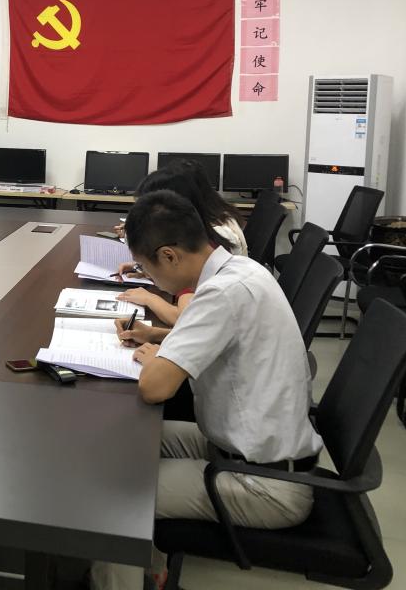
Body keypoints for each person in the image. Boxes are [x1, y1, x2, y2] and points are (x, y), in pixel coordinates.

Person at [94, 190, 321, 590]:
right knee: (122, 441)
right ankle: (152, 570)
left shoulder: (220, 294)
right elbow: (218, 340)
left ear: (169, 256)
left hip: (264, 483)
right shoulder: (240, 271)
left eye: (147, 269)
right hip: (244, 446)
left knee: (118, 497)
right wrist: (158, 338)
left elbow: (154, 388)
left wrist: (159, 361)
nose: (151, 280)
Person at [115, 162, 247, 326]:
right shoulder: (219, 219)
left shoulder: (215, 238)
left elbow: (188, 318)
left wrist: (149, 298)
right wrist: (149, 267)